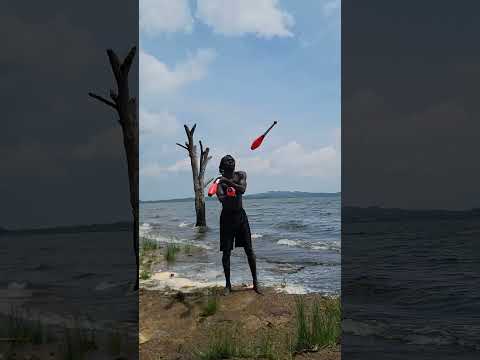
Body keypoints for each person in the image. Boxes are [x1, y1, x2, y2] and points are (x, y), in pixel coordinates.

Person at [215, 155, 261, 295]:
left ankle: (255, 283)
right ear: (222, 166)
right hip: (227, 218)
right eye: (228, 161)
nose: (231, 161)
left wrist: (227, 182)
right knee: (226, 252)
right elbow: (222, 199)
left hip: (241, 216)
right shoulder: (218, 183)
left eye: (232, 160)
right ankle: (228, 285)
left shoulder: (241, 174)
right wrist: (226, 190)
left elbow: (242, 189)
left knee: (249, 250)